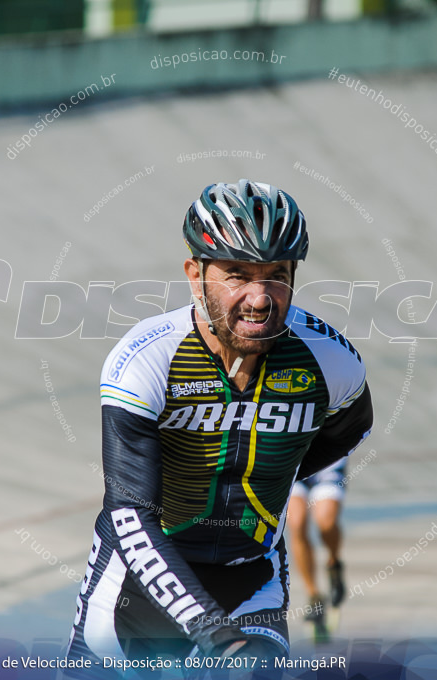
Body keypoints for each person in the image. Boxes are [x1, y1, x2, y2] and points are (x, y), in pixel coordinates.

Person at [65, 179, 373, 674]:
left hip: (251, 580)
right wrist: (216, 635)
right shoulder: (149, 358)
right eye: (237, 274)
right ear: (195, 273)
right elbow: (130, 516)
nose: (259, 298)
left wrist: (274, 474)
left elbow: (351, 429)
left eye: (277, 275)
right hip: (137, 586)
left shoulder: (329, 360)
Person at [287, 459, 347, 640]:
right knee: (297, 525)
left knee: (326, 523)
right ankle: (314, 595)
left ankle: (334, 563)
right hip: (294, 458)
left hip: (328, 460)